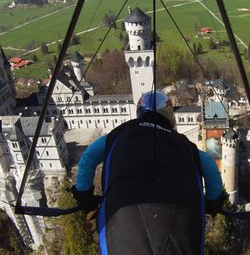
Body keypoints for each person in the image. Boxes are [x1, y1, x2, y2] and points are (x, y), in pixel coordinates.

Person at [73, 90, 225, 254]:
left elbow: (88, 158)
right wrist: (212, 202)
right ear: (170, 116)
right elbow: (210, 166)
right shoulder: (186, 145)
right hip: (181, 227)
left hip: (123, 223)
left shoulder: (120, 134)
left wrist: (85, 195)